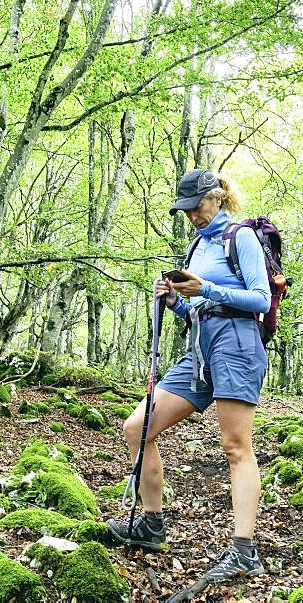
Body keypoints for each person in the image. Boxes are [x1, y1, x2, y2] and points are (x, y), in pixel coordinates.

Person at [107, 168, 271, 581]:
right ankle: (150, 524)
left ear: (217, 197)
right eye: (186, 210)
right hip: (199, 349)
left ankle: (244, 550)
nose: (192, 215)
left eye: (197, 206)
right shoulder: (196, 246)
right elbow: (196, 308)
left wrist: (207, 290)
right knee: (136, 427)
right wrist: (175, 301)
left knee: (236, 445)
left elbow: (261, 299)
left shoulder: (242, 237)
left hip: (237, 343)